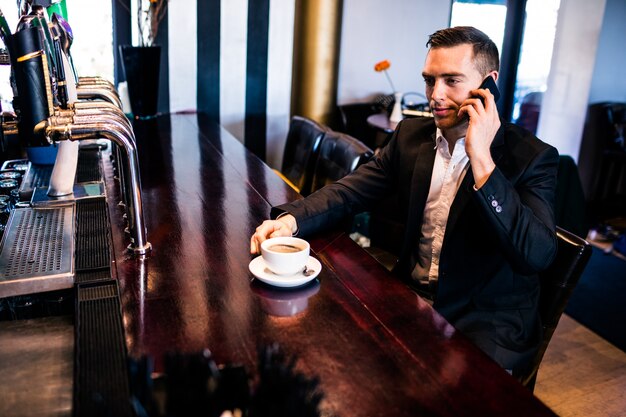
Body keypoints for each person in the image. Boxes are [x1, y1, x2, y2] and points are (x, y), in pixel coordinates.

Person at [250, 26, 559, 375]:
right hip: (410, 297)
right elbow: (351, 190)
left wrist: (482, 161)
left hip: (486, 321)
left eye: (451, 81)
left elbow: (538, 254)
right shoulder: (411, 136)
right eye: (429, 80)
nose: (435, 95)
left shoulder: (534, 158)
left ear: (488, 83)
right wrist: (290, 221)